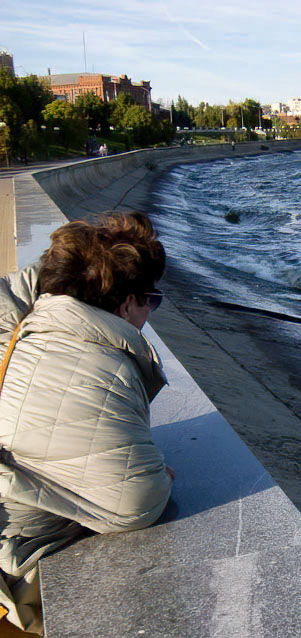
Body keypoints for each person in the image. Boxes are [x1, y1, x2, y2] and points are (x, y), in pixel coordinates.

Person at [0, 212, 173, 634]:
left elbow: (20, 283)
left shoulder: (32, 322)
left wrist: (81, 259)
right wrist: (162, 476)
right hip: (20, 570)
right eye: (151, 299)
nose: (150, 310)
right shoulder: (98, 367)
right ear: (127, 303)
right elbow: (137, 503)